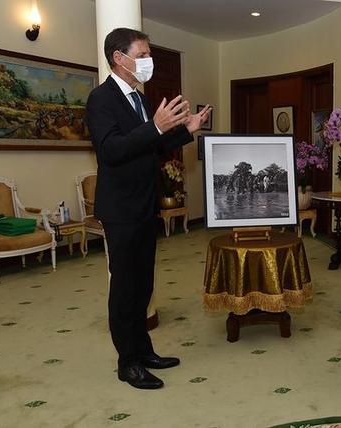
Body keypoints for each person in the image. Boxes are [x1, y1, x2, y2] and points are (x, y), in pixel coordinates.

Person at [85, 28, 211, 390]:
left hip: (143, 205)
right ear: (118, 58)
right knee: (124, 287)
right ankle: (128, 363)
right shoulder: (102, 99)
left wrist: (187, 130)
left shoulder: (138, 99)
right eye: (142, 54)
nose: (147, 61)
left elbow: (149, 147)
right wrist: (156, 125)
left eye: (148, 54)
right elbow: (111, 150)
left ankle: (144, 350)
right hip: (120, 209)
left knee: (143, 286)